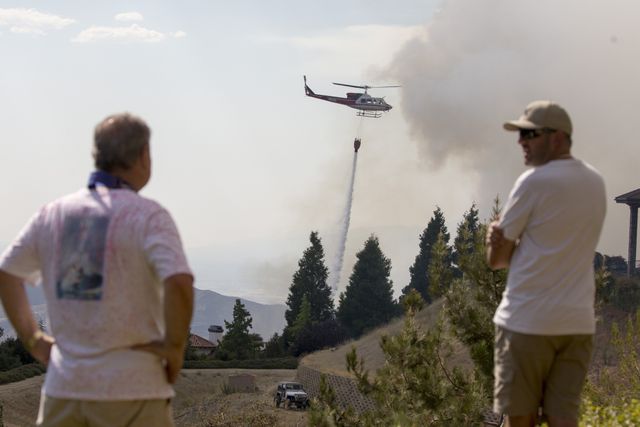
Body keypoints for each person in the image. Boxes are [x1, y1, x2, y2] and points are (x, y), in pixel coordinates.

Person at [0, 113, 194, 426]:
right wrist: (173, 348)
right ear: (144, 155)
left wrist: (34, 340)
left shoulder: (53, 214)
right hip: (134, 390)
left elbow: (7, 274)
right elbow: (180, 283)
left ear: (96, 156)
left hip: (65, 390)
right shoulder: (150, 216)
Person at [486, 100, 606, 427]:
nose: (521, 142)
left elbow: (497, 261)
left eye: (529, 134)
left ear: (557, 137)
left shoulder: (532, 182)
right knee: (564, 418)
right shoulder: (596, 183)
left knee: (518, 420)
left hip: (527, 323)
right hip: (577, 323)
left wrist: (494, 238)